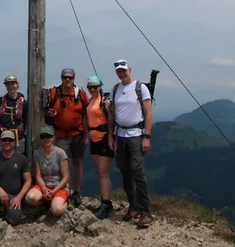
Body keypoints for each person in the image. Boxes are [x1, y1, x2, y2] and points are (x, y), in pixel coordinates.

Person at [108, 59, 154, 228]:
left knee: (137, 171)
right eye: (118, 71)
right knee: (124, 170)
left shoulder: (140, 88)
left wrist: (147, 137)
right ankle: (133, 206)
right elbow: (112, 114)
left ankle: (146, 211)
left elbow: (148, 113)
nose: (121, 73)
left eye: (123, 70)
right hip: (120, 135)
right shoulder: (115, 89)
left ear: (129, 70)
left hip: (136, 134)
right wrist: (110, 136)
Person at [46, 68, 89, 207]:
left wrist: (86, 135)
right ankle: (65, 191)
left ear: (74, 79)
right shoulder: (54, 93)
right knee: (63, 165)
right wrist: (50, 113)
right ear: (61, 78)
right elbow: (46, 111)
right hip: (61, 134)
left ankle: (76, 192)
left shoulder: (80, 94)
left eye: (70, 77)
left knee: (77, 163)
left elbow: (86, 115)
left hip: (78, 134)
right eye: (65, 77)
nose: (67, 80)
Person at [84, 75, 114, 219]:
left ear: (100, 86)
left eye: (95, 87)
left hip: (103, 138)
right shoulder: (90, 101)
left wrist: (110, 137)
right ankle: (107, 201)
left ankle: (105, 203)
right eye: (90, 87)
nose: (93, 89)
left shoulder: (105, 101)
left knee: (103, 172)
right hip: (94, 138)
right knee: (101, 172)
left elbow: (110, 119)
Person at [24, 125, 70, 217]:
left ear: (53, 137)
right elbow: (38, 175)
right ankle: (47, 203)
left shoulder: (60, 153)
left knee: (57, 210)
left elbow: (66, 177)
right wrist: (44, 189)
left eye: (48, 136)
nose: (46, 139)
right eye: (43, 137)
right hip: (44, 185)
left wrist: (54, 191)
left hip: (59, 186)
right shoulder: (37, 153)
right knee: (29, 198)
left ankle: (65, 203)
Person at [0, 74, 29, 156]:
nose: (10, 87)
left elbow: (25, 120)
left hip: (17, 138)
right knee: (0, 161)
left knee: (18, 161)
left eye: (12, 84)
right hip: (2, 136)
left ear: (17, 85)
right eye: (8, 84)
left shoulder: (23, 103)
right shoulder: (0, 101)